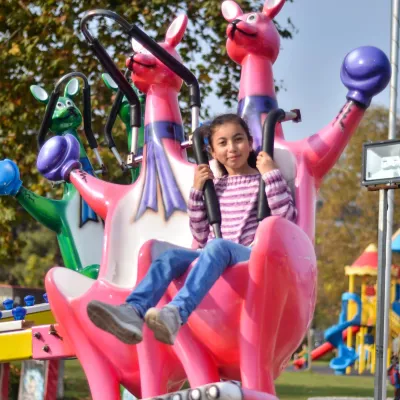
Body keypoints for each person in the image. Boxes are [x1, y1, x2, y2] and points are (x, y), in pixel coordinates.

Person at [87, 114, 297, 345]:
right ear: (213, 153)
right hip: (214, 253)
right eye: (223, 143)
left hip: (249, 254)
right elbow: (199, 235)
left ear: (249, 143)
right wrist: (197, 191)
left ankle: (176, 313)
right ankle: (133, 311)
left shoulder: (263, 180)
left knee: (217, 246)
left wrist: (271, 174)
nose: (232, 148)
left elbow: (286, 219)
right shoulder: (214, 188)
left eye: (238, 139)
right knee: (169, 257)